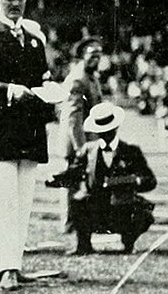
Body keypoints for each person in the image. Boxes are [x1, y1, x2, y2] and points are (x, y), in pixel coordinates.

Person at [0, 0, 56, 290]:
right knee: (3, 200)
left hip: (29, 129)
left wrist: (47, 89)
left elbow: (40, 79)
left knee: (22, 202)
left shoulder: (34, 40)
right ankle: (4, 266)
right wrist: (9, 89)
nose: (15, 4)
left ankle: (14, 264)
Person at [56, 103, 157, 254]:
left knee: (143, 214)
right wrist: (61, 178)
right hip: (95, 207)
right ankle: (83, 246)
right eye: (102, 131)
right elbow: (73, 174)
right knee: (77, 202)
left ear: (115, 128)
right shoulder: (88, 150)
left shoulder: (130, 151)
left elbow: (150, 180)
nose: (105, 134)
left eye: (108, 130)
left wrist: (130, 181)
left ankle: (128, 243)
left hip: (122, 206)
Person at [45, 36, 105, 244]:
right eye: (92, 56)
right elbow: (73, 119)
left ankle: (75, 222)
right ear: (83, 56)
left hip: (87, 140)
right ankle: (69, 222)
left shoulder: (91, 77)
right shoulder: (77, 79)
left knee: (80, 185)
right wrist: (81, 148)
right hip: (76, 142)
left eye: (99, 56)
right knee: (72, 185)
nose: (96, 59)